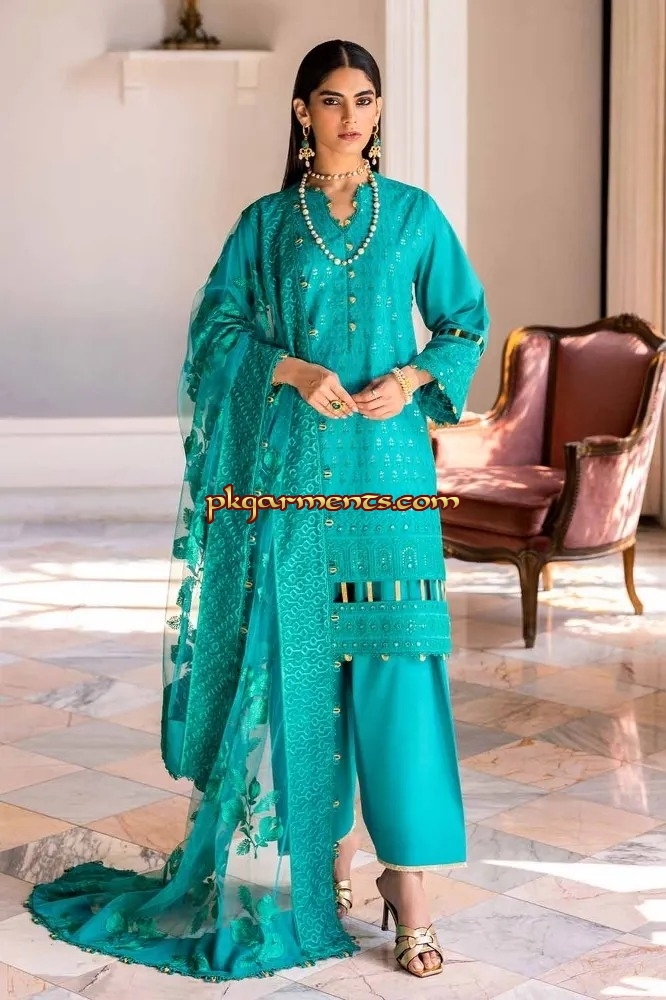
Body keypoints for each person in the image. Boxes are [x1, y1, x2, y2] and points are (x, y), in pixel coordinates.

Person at [25, 39, 489, 983]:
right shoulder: (268, 224)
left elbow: (464, 321)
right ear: (301, 113)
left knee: (401, 672)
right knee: (308, 672)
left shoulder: (414, 215)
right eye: (333, 100)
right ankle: (327, 864)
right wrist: (290, 369)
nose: (352, 116)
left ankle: (412, 889)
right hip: (293, 478)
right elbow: (215, 330)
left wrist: (411, 380)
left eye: (365, 99)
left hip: (391, 479)